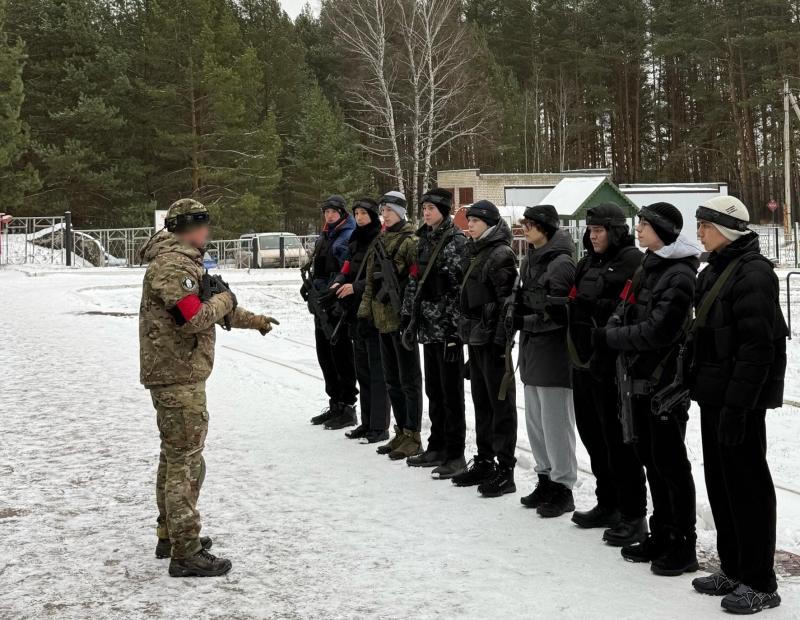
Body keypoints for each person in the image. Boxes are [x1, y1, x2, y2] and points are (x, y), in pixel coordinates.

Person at [139, 199, 278, 577]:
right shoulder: (173, 265)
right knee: (185, 461)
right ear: (189, 228)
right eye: (204, 226)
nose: (208, 233)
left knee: (175, 457)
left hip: (176, 373)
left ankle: (172, 535)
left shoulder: (187, 262)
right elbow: (193, 317)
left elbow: (221, 309)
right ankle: (186, 552)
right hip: (177, 376)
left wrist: (256, 320)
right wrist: (224, 298)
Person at [689, 196, 787, 614]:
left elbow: (757, 349)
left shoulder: (753, 274)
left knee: (748, 488)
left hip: (738, 401)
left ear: (725, 229)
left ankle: (761, 581)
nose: (699, 233)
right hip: (714, 394)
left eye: (705, 226)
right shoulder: (715, 269)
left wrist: (738, 406)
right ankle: (733, 567)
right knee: (722, 485)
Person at [597, 202, 700, 576]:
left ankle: (682, 543)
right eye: (638, 223)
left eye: (644, 224)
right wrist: (613, 328)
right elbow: (624, 308)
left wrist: (612, 338)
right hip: (638, 381)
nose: (637, 229)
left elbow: (660, 330)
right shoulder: (649, 265)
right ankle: (662, 532)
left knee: (671, 465)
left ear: (664, 230)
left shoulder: (679, 274)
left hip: (664, 386)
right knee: (652, 462)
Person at [568, 204, 646, 534]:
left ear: (614, 230)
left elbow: (627, 309)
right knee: (592, 437)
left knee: (618, 442)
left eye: (598, 230)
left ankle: (632, 513)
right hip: (584, 362)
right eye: (590, 230)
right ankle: (607, 502)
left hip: (612, 366)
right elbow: (573, 299)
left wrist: (588, 306)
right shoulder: (586, 262)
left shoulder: (631, 261)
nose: (592, 235)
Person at [512, 206, 577, 518]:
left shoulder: (561, 262)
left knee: (556, 425)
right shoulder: (531, 258)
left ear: (546, 228)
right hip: (532, 352)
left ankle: (563, 487)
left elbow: (559, 316)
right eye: (525, 223)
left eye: (531, 224)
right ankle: (545, 478)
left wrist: (524, 322)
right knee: (536, 424)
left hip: (553, 353)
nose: (526, 228)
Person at [452, 200, 519, 497]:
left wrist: (500, 341)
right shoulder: (475, 249)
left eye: (475, 221)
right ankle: (484, 459)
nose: (470, 226)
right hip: (475, 337)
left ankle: (505, 469)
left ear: (489, 223)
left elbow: (507, 302)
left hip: (492, 341)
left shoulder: (500, 253)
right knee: (481, 402)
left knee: (500, 405)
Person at [401, 188, 468, 479]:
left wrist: (455, 332)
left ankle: (455, 454)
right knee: (435, 391)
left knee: (451, 394)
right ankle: (437, 445)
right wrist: (409, 316)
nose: (426, 212)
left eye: (431, 208)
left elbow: (460, 291)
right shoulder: (424, 239)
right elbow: (414, 281)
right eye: (424, 208)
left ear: (443, 209)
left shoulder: (455, 241)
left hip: (447, 331)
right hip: (428, 328)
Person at [358, 191, 423, 460]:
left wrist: (408, 316)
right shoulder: (381, 240)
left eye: (388, 211)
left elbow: (414, 282)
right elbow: (371, 282)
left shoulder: (411, 242)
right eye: (383, 211)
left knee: (409, 380)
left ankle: (413, 434)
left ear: (400, 213)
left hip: (401, 320)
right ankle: (400, 431)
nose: (384, 215)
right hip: (381, 320)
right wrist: (365, 313)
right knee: (392, 379)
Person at [331, 197, 392, 444]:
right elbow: (347, 266)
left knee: (378, 372)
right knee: (363, 369)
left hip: (374, 311)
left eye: (363, 214)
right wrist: (338, 280)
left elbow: (379, 276)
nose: (359, 218)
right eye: (356, 214)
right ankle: (366, 423)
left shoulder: (380, 239)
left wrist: (354, 287)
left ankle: (379, 425)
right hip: (355, 312)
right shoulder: (356, 239)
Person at [305, 195, 358, 430]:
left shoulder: (347, 234)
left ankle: (347, 406)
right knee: (325, 355)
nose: (329, 215)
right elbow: (319, 266)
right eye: (326, 211)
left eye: (333, 211)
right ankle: (335, 402)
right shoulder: (325, 234)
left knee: (341, 356)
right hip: (321, 302)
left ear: (342, 212)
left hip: (338, 303)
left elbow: (347, 270)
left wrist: (334, 293)